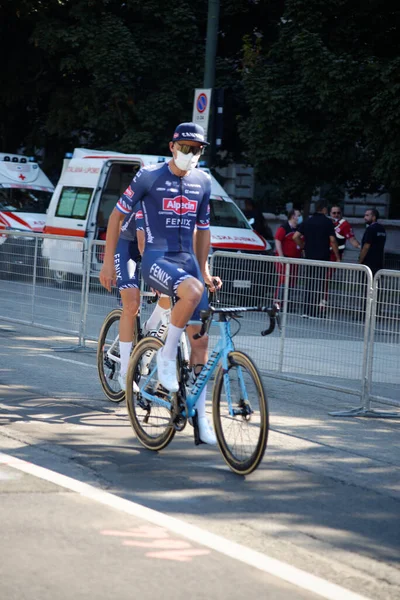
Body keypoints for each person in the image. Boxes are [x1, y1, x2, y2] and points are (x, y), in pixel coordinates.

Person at [101, 122, 222, 445]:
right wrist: (106, 260)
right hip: (155, 257)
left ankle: (200, 416)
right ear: (172, 147)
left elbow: (203, 230)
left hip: (186, 261)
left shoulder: (203, 181)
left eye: (196, 150)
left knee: (200, 343)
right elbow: (116, 218)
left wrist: (205, 269)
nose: (190, 155)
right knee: (137, 303)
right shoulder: (149, 176)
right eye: (184, 148)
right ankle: (161, 357)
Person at [99, 206, 171, 392]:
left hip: (156, 249)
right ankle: (125, 371)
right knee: (132, 304)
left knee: (171, 297)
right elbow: (142, 242)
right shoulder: (149, 200)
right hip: (128, 248)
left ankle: (148, 332)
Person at [293, 200, 340, 317]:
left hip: (309, 256)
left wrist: (304, 246)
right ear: (324, 209)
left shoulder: (308, 221)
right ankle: (315, 311)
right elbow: (333, 240)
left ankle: (306, 310)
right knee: (319, 284)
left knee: (309, 283)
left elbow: (295, 236)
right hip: (323, 257)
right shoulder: (327, 222)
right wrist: (337, 257)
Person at [320, 204, 361, 308]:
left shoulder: (344, 224)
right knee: (319, 277)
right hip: (322, 254)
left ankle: (323, 301)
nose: (336, 215)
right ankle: (318, 301)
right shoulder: (327, 223)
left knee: (326, 278)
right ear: (330, 213)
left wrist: (361, 247)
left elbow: (352, 239)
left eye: (338, 213)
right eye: (334, 213)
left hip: (334, 256)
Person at [273, 209, 303, 305]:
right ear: (293, 216)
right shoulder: (284, 228)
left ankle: (285, 302)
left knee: (292, 281)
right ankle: (278, 302)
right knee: (283, 280)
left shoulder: (298, 229)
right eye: (298, 215)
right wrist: (281, 257)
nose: (300, 217)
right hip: (285, 258)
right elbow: (277, 241)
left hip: (294, 259)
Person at [359, 208, 386, 276]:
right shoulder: (382, 228)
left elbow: (366, 246)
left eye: (367, 215)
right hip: (379, 262)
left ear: (373, 217)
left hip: (368, 263)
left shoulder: (370, 229)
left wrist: (360, 261)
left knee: (366, 284)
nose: (365, 217)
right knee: (376, 284)